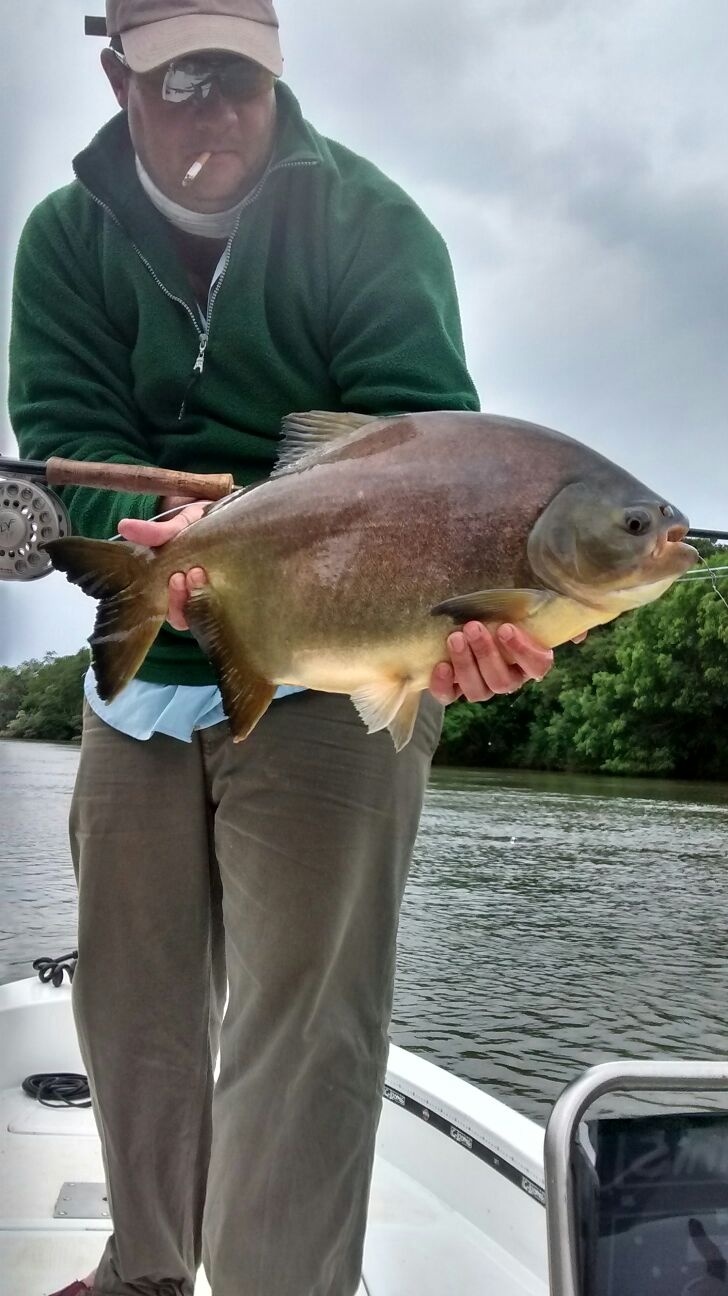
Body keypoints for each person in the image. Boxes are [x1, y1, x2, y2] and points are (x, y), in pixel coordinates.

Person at [9, 2, 556, 1293]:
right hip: (143, 668)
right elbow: (64, 424)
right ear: (116, 78)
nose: (218, 112)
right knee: (132, 1003)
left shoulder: (372, 225)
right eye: (183, 82)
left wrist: (481, 626)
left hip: (342, 670)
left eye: (241, 81)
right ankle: (146, 1268)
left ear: (278, 75)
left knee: (304, 1026)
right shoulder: (62, 239)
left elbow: (433, 459)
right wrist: (146, 541)